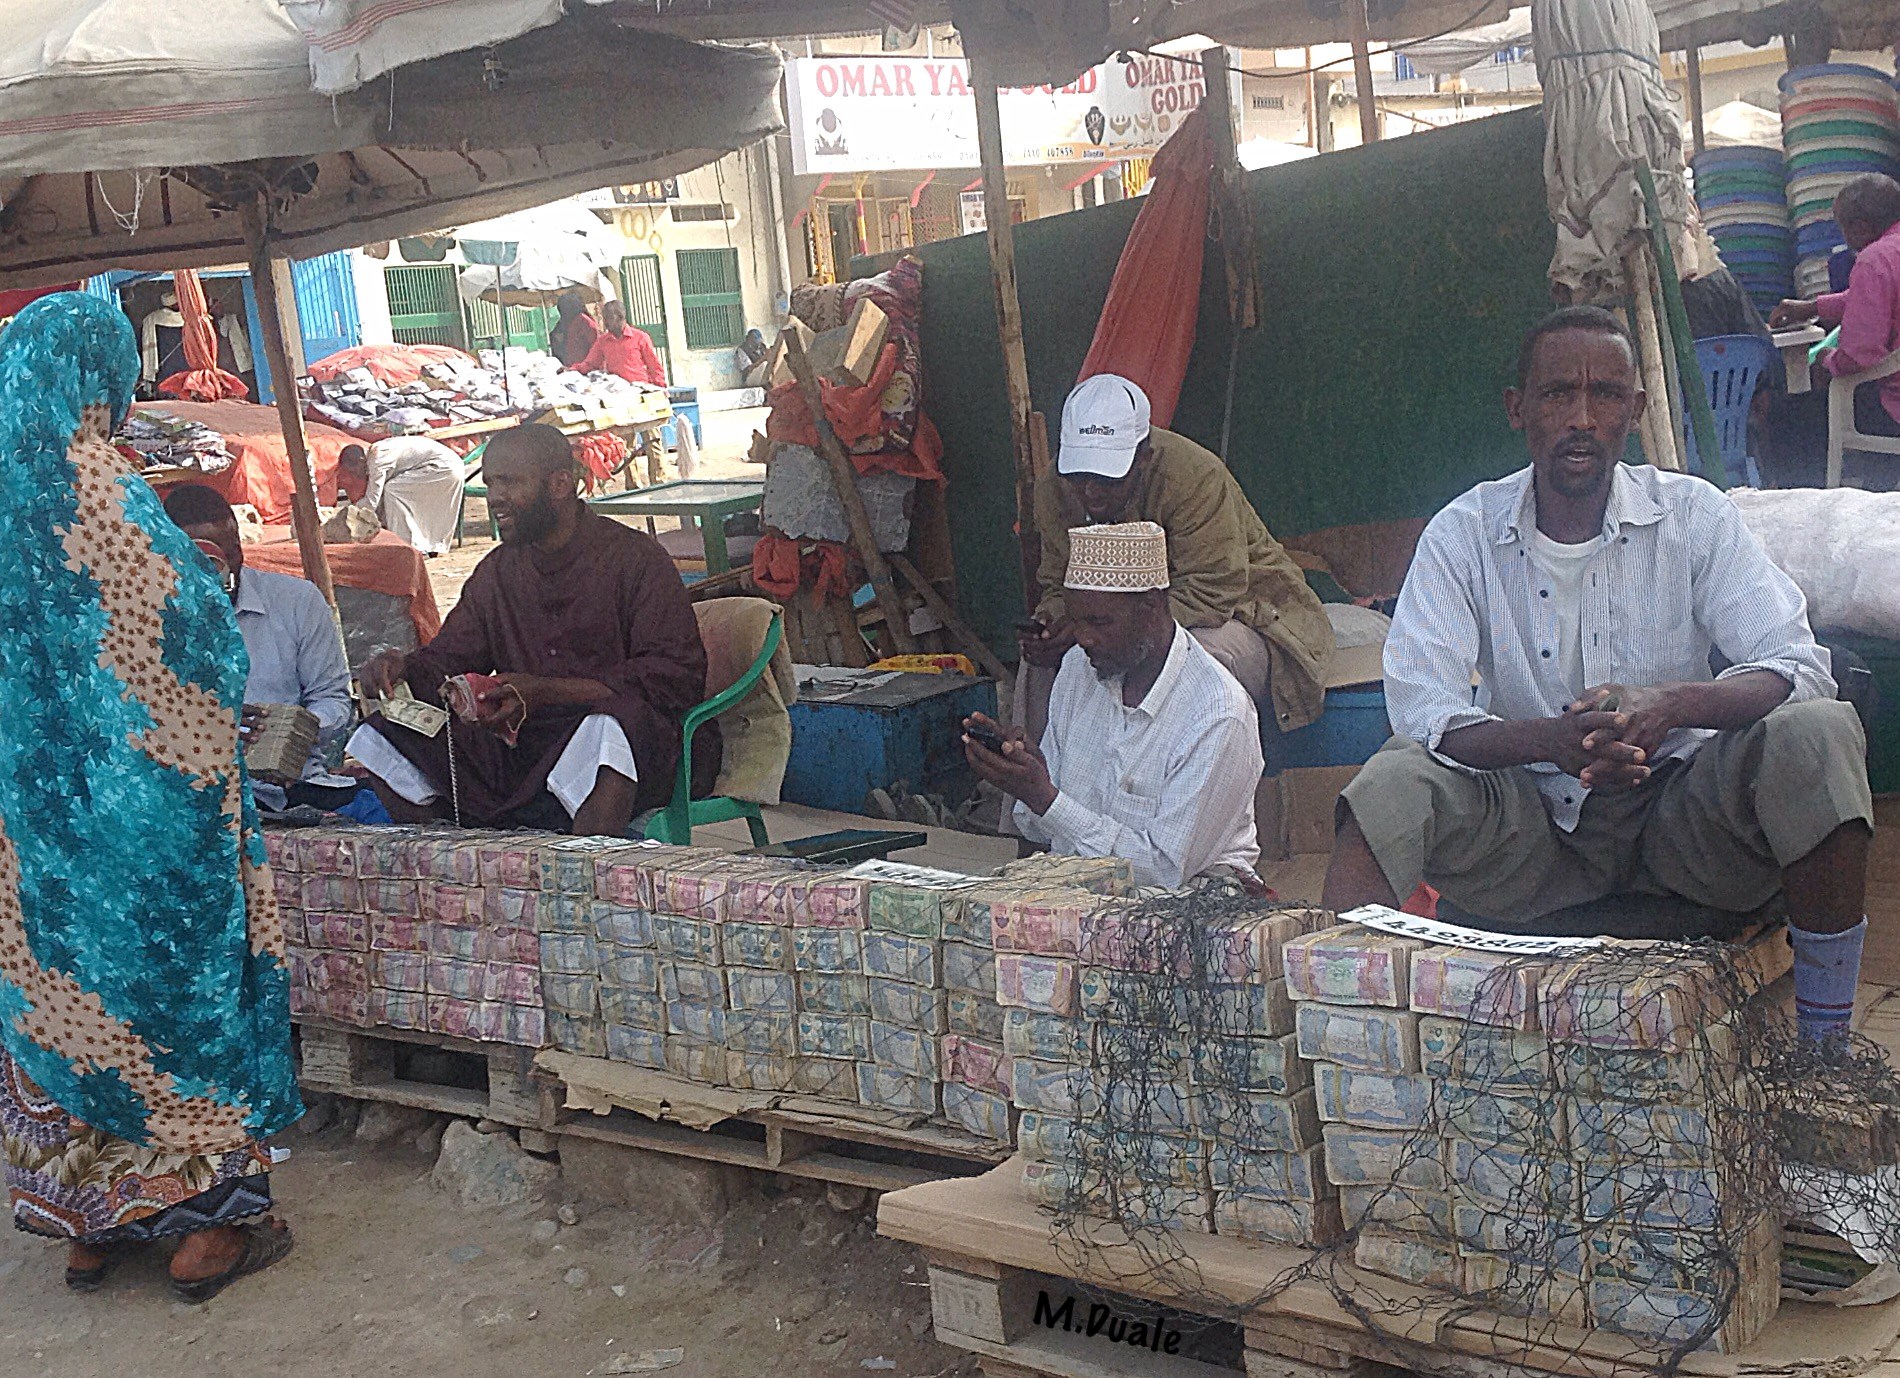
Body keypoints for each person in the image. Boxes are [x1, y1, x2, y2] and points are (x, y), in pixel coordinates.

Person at [1321, 306, 1874, 1045]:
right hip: (1533, 828)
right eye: (1557, 394)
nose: (1582, 418)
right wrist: (1548, 741)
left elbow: (1795, 663)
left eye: (1606, 395)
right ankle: (1342, 1047)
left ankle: (1826, 1053)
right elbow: (1426, 711)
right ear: (1519, 410)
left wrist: (1672, 705)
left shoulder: (1694, 516)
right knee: (1390, 784)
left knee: (1820, 730)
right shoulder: (1463, 532)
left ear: (1636, 412)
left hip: (1682, 820)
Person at [0, 293, 298, 1299]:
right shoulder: (103, 497)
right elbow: (200, 647)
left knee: (60, 1000)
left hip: (34, 828)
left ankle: (89, 1225)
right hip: (144, 814)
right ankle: (208, 1229)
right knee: (176, 1002)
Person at [349, 423, 709, 836]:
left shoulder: (636, 560)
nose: (495, 497)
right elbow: (451, 656)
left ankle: (586, 879)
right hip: (518, 748)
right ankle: (455, 867)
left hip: (620, 748)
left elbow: (675, 676)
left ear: (559, 484)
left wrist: (546, 691)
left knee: (610, 728)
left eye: (509, 482)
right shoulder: (497, 572)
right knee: (381, 735)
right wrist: (404, 667)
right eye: (490, 483)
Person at [1017, 374, 1334, 746]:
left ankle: (1166, 788)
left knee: (1188, 663)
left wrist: (1113, 630)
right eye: (1080, 476)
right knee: (1039, 665)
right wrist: (1052, 623)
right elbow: (1058, 583)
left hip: (1246, 617)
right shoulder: (1053, 488)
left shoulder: (1195, 477)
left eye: (1109, 479)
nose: (1091, 492)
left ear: (1144, 458)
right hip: (1117, 624)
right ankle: (1035, 791)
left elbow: (1212, 592)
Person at [965, 521, 1265, 890]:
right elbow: (1043, 825)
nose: (1084, 637)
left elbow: (1162, 871)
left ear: (1152, 607)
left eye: (1099, 622)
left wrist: (1045, 797)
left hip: (1190, 903)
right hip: (1080, 892)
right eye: (1075, 620)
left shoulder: (1219, 714)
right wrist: (1029, 777)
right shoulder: (1078, 666)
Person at [162, 483, 357, 809]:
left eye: (231, 553)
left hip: (293, 783)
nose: (223, 570)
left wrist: (292, 734)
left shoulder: (297, 601)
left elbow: (332, 698)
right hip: (193, 792)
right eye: (205, 561)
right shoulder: (151, 619)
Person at [1771, 173, 1900, 479]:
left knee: (1787, 416)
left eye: (1842, 226)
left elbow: (1858, 356)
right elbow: (1869, 296)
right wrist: (1813, 307)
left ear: (1859, 227)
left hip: (1892, 407)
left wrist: (1825, 362)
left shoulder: (1873, 259)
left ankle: (1813, 503)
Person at [338, 435, 467, 555]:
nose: (356, 474)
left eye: (355, 470)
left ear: (361, 461)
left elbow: (372, 502)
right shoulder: (375, 453)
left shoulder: (377, 460)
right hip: (445, 466)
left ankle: (406, 546)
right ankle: (421, 545)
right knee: (396, 493)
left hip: (444, 468)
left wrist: (346, 516)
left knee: (393, 490)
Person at [571, 299, 667, 387]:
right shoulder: (602, 341)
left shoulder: (640, 337)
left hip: (639, 388)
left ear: (620, 317)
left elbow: (654, 366)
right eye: (604, 318)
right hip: (616, 389)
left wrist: (660, 387)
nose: (605, 322)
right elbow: (590, 364)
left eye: (609, 318)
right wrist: (572, 369)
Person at [549, 291, 600, 368]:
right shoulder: (564, 321)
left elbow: (595, 346)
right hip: (568, 366)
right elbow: (554, 336)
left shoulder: (585, 322)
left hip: (584, 367)